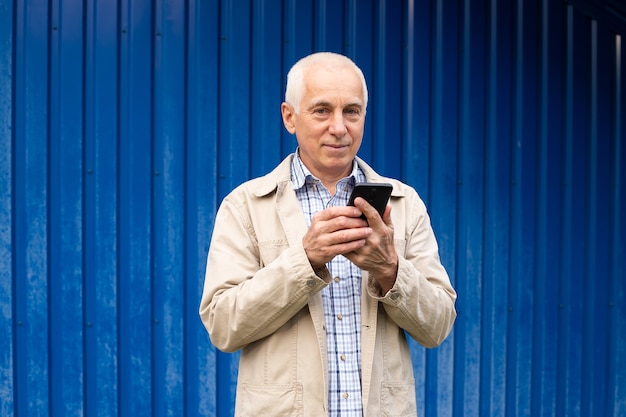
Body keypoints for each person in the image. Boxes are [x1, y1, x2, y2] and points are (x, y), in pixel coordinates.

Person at [199, 51, 457, 416]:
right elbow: (223, 326)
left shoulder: (404, 204)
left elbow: (438, 326)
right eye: (322, 110)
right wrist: (304, 261)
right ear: (290, 117)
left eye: (351, 111)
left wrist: (390, 271)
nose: (339, 127)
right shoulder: (246, 206)